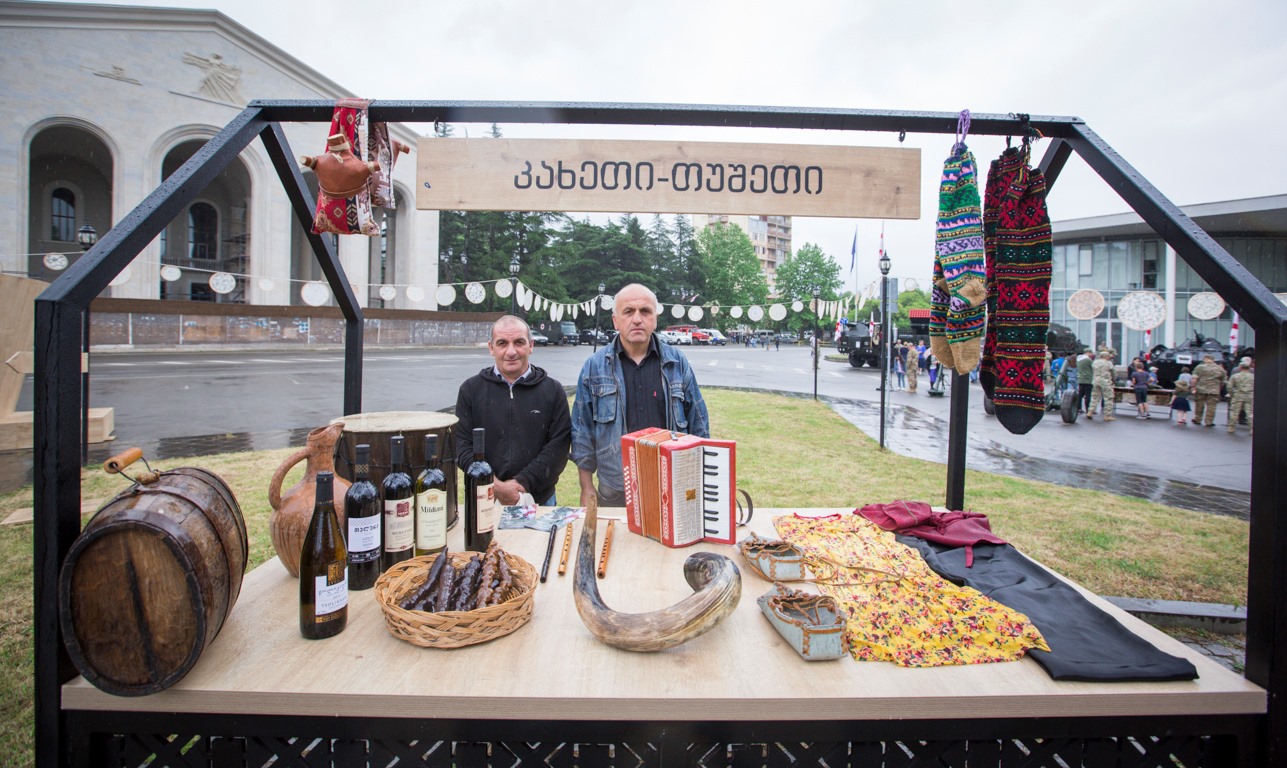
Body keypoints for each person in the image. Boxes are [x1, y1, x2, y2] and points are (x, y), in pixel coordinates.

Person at [571, 284, 710, 507]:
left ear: (655, 318)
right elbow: (582, 432)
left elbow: (699, 424)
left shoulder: (677, 363)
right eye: (628, 312)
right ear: (615, 320)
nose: (637, 319)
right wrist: (586, 487)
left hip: (671, 484)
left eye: (645, 311)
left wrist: (700, 480)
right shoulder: (594, 367)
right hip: (615, 490)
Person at [454, 315, 572, 506]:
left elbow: (559, 446)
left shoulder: (553, 391)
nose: (511, 351)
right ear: (491, 348)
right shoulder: (471, 390)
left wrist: (522, 484)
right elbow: (462, 445)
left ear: (531, 346)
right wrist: (495, 485)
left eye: (519, 342)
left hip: (539, 500)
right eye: (502, 343)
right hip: (484, 500)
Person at [1190, 354, 1227, 428]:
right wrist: (1219, 388)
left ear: (1205, 359)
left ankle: (1198, 419)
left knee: (1199, 404)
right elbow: (1223, 381)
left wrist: (1193, 387)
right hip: (1214, 390)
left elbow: (1194, 378)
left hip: (1201, 389)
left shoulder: (1200, 367)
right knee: (1211, 406)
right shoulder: (1220, 368)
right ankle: (1209, 421)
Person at [1086, 350, 1116, 421]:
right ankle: (1107, 415)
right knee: (1108, 398)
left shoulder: (1095, 362)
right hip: (1106, 381)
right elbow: (1113, 372)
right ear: (1106, 356)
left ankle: (1090, 411)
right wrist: (1114, 380)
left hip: (1096, 380)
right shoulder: (1108, 363)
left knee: (1095, 396)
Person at [1226, 359, 1254, 435]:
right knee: (1250, 412)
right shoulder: (1253, 376)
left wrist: (1231, 394)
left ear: (1240, 367)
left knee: (1234, 412)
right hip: (1249, 395)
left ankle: (1231, 427)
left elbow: (1229, 387)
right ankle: (1252, 428)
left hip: (1238, 395)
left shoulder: (1235, 376)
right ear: (1249, 368)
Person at [1076, 347, 1095, 414]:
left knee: (1080, 395)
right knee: (1088, 396)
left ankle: (1078, 408)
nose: (1091, 354)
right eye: (1091, 353)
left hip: (1080, 379)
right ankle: (1088, 409)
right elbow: (1093, 368)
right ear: (1088, 353)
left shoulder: (1078, 359)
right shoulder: (1088, 360)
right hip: (1088, 379)